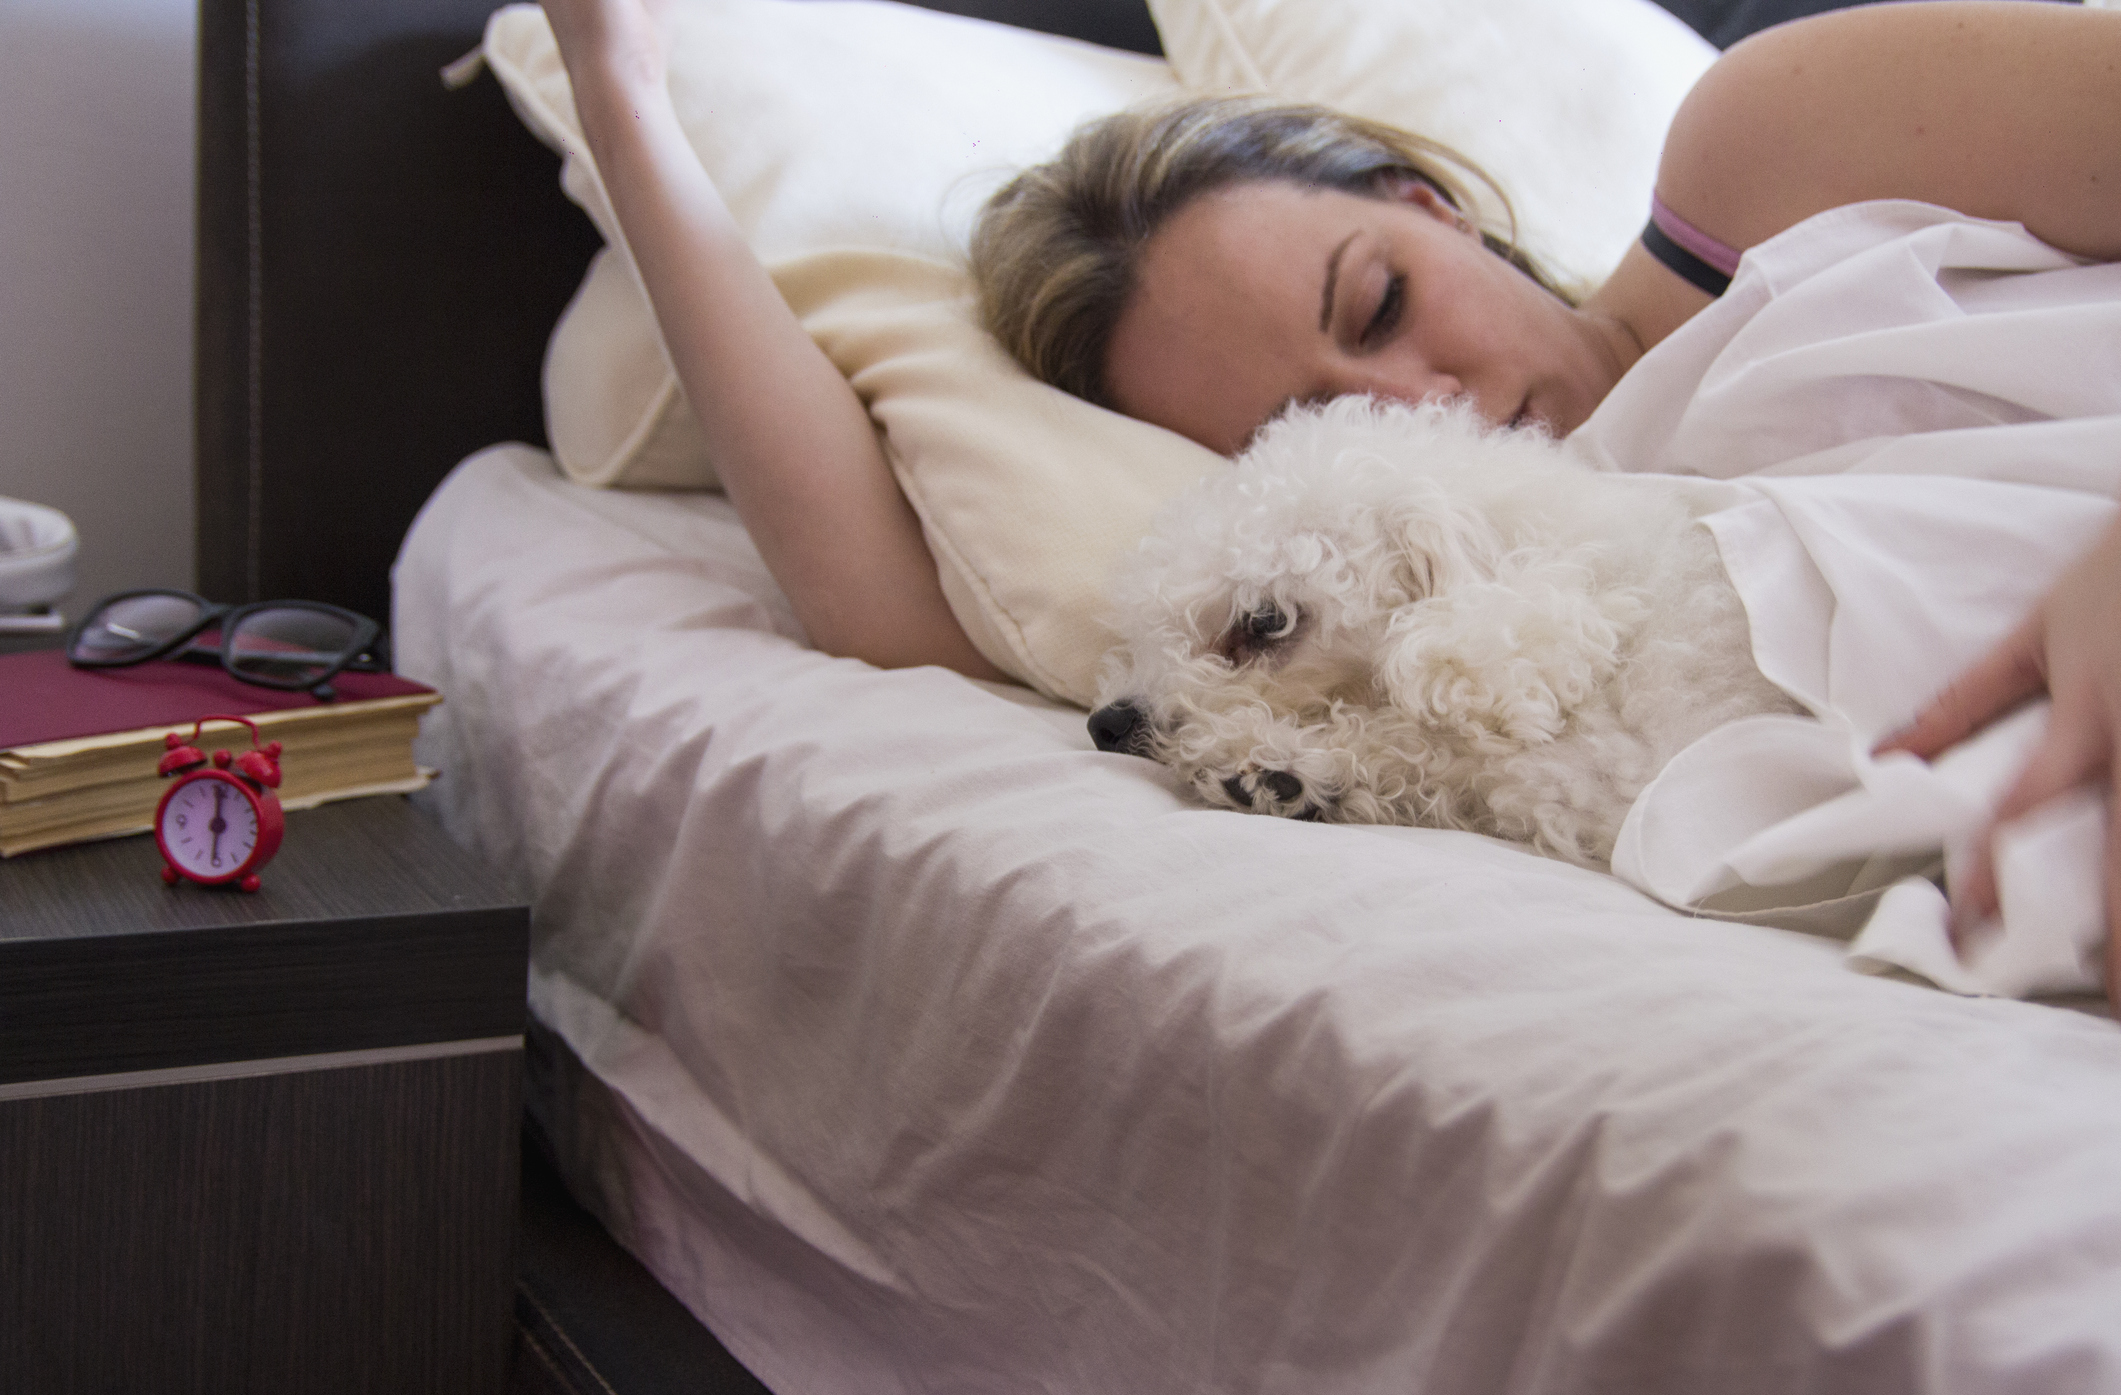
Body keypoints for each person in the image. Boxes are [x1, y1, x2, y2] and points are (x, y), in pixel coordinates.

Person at [542, 0, 2119, 982]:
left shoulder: (1771, 146)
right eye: (1305, 417)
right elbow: (883, 607)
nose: (1420, 400)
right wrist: (623, 89)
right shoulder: (1537, 576)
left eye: (1376, 303)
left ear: (1428, 205)